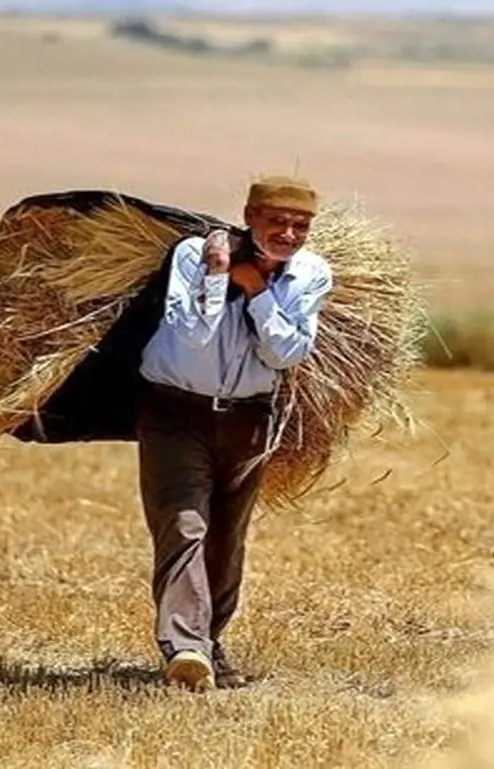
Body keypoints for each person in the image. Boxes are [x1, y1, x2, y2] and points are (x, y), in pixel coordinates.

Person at [135, 174, 333, 692]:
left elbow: (286, 353)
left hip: (250, 417)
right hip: (174, 411)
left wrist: (260, 291)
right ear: (249, 216)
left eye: (300, 225)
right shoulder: (194, 255)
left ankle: (210, 643)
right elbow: (192, 336)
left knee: (226, 537)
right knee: (183, 523)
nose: (288, 233)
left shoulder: (311, 274)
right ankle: (186, 646)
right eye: (277, 221)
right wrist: (220, 275)